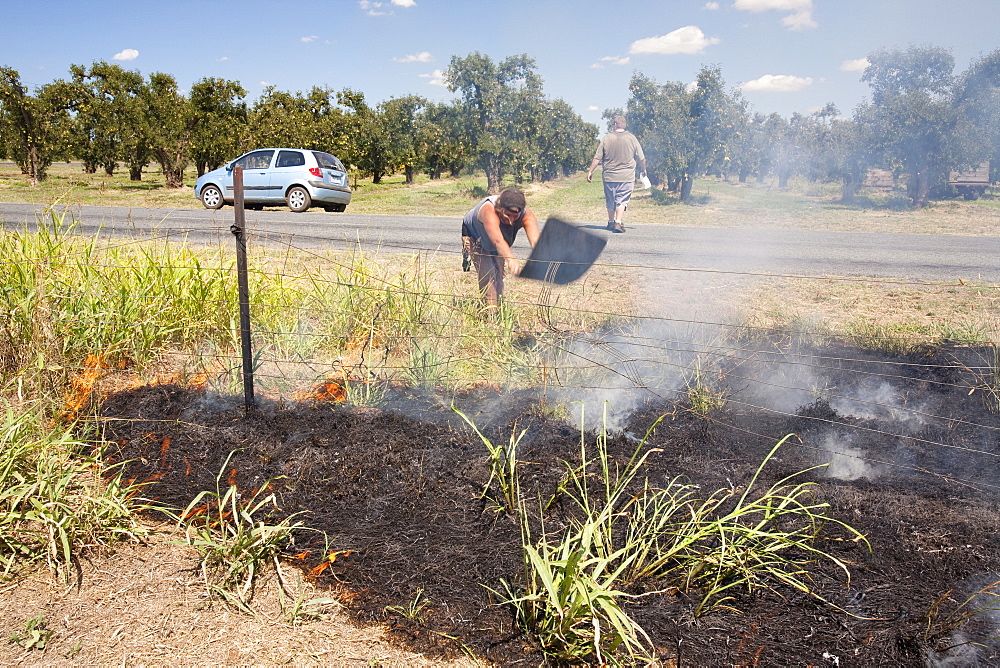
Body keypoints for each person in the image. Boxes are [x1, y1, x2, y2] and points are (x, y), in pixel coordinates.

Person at [461, 188, 541, 310]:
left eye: (515, 216)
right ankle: (490, 315)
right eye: (507, 215)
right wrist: (511, 259)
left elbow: (536, 242)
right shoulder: (488, 210)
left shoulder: (527, 216)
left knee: (498, 276)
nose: (511, 220)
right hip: (475, 235)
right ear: (500, 208)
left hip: (499, 239)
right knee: (488, 273)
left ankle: (498, 310)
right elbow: (497, 241)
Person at [587, 115, 647, 234]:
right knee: (622, 199)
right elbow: (641, 157)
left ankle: (610, 222)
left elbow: (597, 157)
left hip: (609, 175)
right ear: (624, 125)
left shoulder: (607, 138)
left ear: (615, 125)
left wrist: (590, 171)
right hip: (627, 176)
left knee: (611, 199)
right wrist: (644, 169)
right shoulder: (632, 138)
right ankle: (618, 222)